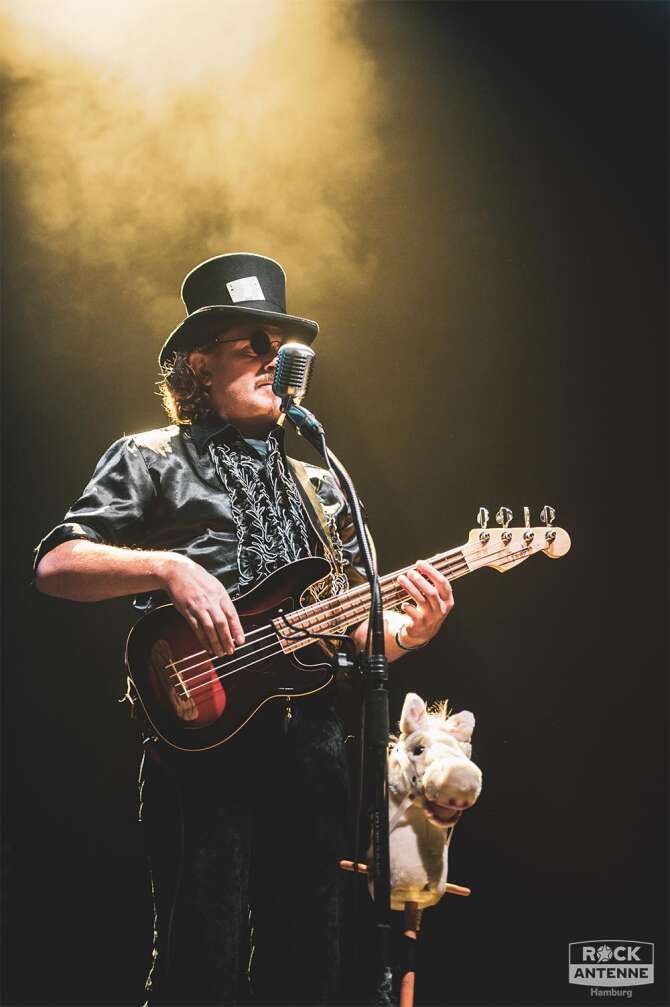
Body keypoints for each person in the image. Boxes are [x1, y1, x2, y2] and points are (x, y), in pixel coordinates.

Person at [34, 252, 454, 1006]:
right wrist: (166, 567)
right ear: (199, 364)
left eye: (281, 348)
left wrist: (407, 633)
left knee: (307, 959)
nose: (274, 360)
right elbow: (57, 564)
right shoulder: (151, 457)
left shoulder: (324, 483)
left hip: (316, 755)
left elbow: (358, 623)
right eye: (250, 347)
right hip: (204, 746)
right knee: (202, 959)